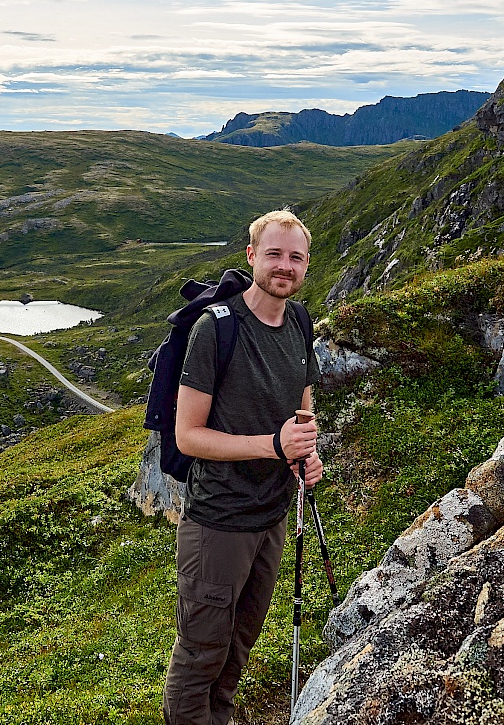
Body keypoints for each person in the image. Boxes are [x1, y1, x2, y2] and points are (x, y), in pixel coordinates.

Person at [162, 208, 324, 725]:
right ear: (252, 256)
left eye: (295, 257)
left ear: (305, 265)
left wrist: (304, 451)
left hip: (272, 517)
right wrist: (274, 446)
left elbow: (303, 406)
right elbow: (189, 437)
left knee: (239, 647)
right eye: (274, 254)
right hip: (219, 521)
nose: (285, 266)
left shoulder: (299, 321)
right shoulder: (217, 330)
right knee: (202, 652)